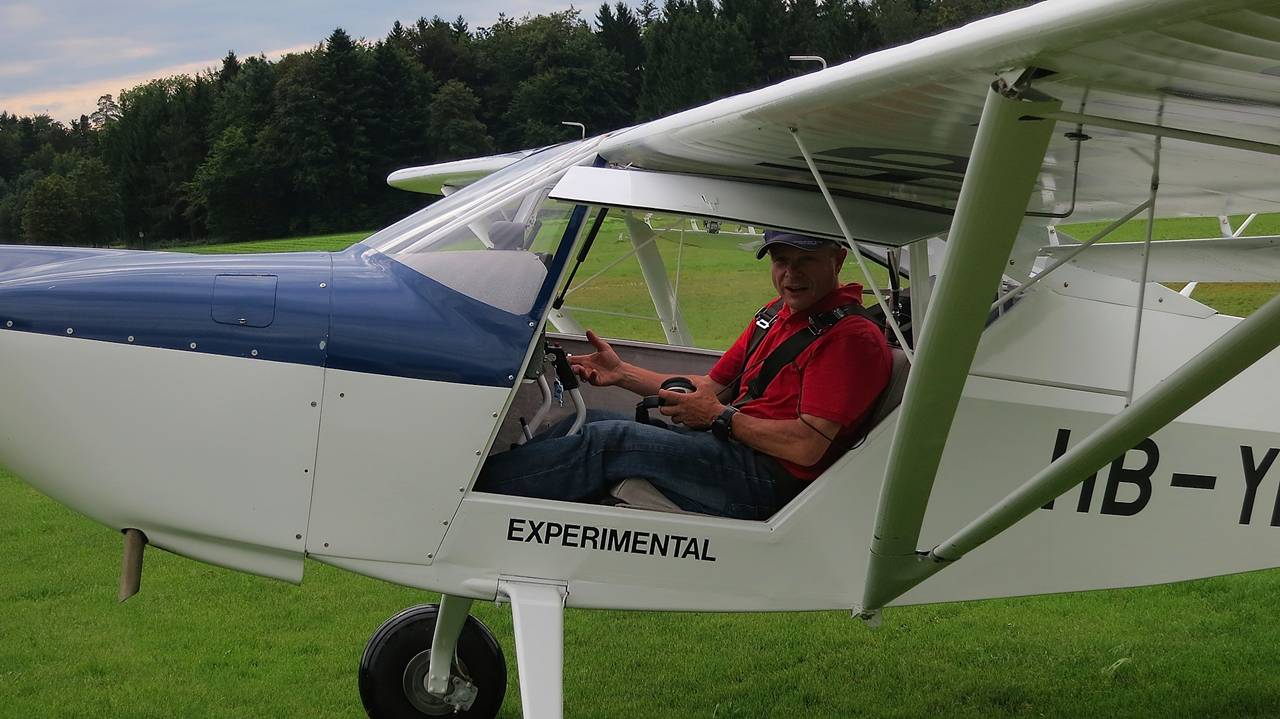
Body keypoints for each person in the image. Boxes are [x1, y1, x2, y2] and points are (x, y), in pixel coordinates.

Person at [475, 231, 893, 519]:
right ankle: (485, 484)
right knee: (593, 420)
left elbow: (806, 447)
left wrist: (720, 418)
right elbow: (710, 389)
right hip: (733, 452)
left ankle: (473, 499)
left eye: (806, 261)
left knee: (610, 440)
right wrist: (622, 373)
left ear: (838, 260)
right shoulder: (777, 313)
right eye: (782, 261)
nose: (791, 274)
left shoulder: (850, 339)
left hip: (767, 484)